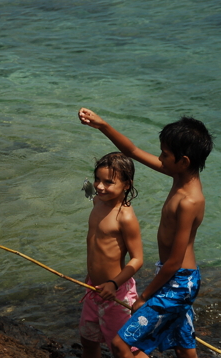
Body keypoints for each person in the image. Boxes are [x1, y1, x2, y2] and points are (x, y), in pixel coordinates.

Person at [78, 108, 213, 358]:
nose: (159, 158)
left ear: (183, 160)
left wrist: (144, 296)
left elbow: (174, 260)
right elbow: (132, 152)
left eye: (164, 154)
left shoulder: (189, 201)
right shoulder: (180, 175)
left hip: (178, 280)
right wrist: (102, 125)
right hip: (175, 276)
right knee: (183, 346)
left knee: (120, 344)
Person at [79, 152, 144, 358]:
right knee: (88, 340)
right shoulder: (98, 202)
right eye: (98, 179)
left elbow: (137, 259)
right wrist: (88, 187)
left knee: (126, 349)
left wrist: (114, 284)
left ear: (126, 185)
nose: (100, 186)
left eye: (109, 182)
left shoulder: (125, 216)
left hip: (116, 294)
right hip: (93, 290)